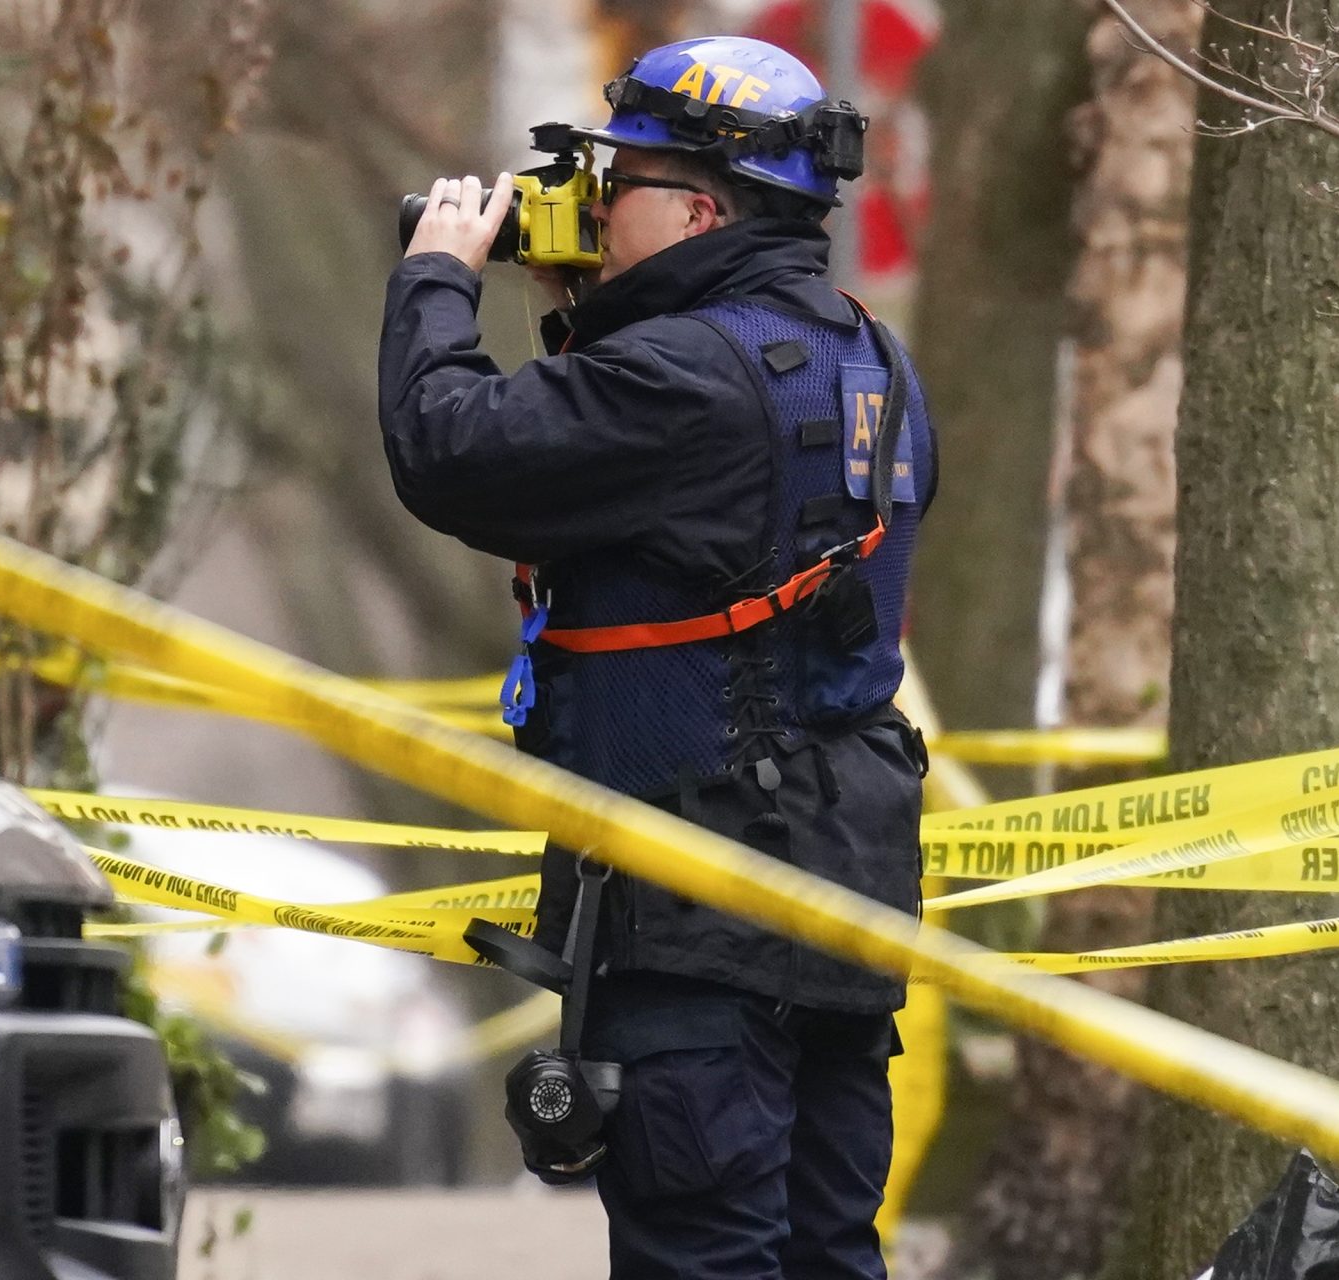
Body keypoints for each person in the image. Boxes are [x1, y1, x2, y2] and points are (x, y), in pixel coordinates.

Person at [377, 34, 937, 1280]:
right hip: (843, 905)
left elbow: (449, 447)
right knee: (827, 1252)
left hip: (699, 914)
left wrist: (435, 279)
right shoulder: (871, 362)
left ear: (695, 207)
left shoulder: (684, 374)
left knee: (705, 1256)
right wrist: (587, 315)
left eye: (614, 181)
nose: (590, 204)